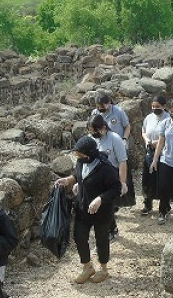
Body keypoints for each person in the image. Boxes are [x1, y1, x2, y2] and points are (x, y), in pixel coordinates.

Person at [55, 136, 122, 285]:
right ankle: (87, 267)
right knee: (79, 237)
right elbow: (77, 174)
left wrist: (100, 199)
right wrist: (69, 180)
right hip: (83, 207)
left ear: (90, 153)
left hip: (102, 211)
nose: (79, 157)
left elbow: (116, 189)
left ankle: (103, 269)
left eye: (81, 155)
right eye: (78, 155)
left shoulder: (106, 168)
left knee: (102, 239)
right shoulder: (81, 161)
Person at [88, 114, 129, 242]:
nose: (93, 134)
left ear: (104, 128)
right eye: (91, 132)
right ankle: (108, 229)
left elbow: (122, 161)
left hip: (111, 177)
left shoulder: (115, 139)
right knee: (101, 205)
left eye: (95, 132)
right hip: (96, 176)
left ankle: (111, 230)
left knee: (106, 205)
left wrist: (122, 182)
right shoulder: (91, 139)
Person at [140, 96, 169, 215]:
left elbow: (171, 135)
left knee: (163, 180)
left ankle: (165, 205)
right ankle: (148, 203)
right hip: (150, 151)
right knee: (148, 178)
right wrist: (147, 140)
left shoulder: (168, 119)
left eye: (157, 107)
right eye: (153, 107)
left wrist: (160, 142)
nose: (155, 109)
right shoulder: (149, 118)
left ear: (164, 106)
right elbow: (143, 131)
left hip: (164, 153)